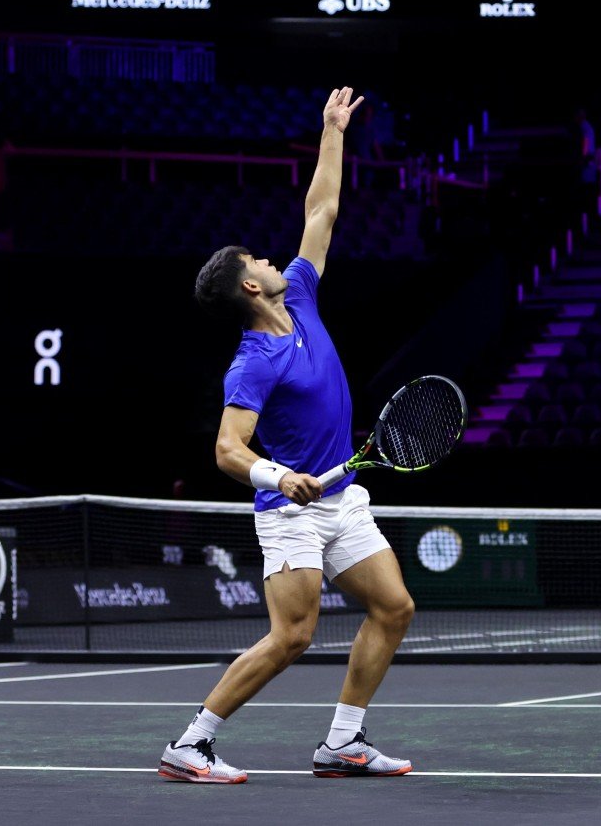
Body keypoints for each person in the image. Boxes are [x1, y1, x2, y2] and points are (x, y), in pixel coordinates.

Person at [168, 87, 416, 784]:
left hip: (341, 493)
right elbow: (227, 449)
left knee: (394, 607)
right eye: (259, 261)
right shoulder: (252, 363)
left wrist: (333, 132)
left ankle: (343, 742)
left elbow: (322, 210)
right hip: (292, 511)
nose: (274, 259)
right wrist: (280, 477)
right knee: (294, 634)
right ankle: (192, 741)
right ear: (250, 288)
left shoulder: (301, 295)